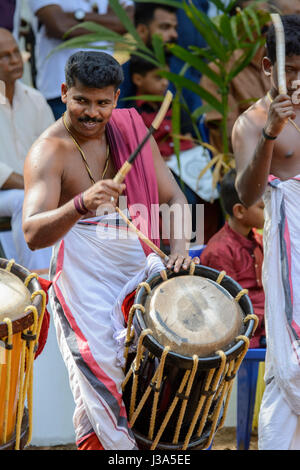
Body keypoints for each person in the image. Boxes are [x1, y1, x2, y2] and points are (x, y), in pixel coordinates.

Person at [22, 50, 195, 450]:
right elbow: (32, 233)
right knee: (102, 380)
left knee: (152, 378)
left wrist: (180, 249)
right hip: (84, 284)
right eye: (82, 100)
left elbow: (174, 197)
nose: (92, 113)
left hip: (139, 266)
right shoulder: (49, 151)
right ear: (64, 92)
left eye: (103, 103)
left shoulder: (130, 130)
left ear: (117, 99)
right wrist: (80, 203)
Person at [232, 14, 300, 450]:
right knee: (291, 357)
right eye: (291, 69)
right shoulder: (252, 122)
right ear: (267, 67)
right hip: (289, 243)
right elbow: (247, 192)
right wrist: (272, 133)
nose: (297, 80)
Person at [130, 53, 220, 244]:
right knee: (186, 200)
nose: (164, 83)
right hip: (160, 170)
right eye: (158, 77)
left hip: (190, 164)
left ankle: (211, 243)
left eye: (167, 78)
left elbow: (189, 136)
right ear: (138, 79)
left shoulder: (176, 106)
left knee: (216, 195)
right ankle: (188, 244)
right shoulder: (133, 114)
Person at [0, 27, 53, 271]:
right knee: (26, 199)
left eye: (15, 52)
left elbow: (54, 152)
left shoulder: (35, 99)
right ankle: (36, 280)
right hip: (14, 192)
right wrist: (33, 185)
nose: (14, 61)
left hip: (31, 189)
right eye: (4, 56)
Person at [28, 0, 133, 119]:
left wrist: (77, 16)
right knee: (65, 136)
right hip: (62, 93)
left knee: (108, 136)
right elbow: (61, 26)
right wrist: (109, 21)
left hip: (105, 90)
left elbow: (127, 22)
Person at [200, 169, 265, 348]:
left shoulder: (259, 240)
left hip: (269, 323)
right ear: (240, 211)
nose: (268, 213)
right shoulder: (220, 251)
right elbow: (230, 310)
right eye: (262, 207)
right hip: (245, 334)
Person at [118, 2, 178, 109]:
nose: (174, 34)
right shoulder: (119, 77)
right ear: (142, 30)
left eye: (175, 28)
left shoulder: (181, 70)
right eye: (165, 27)